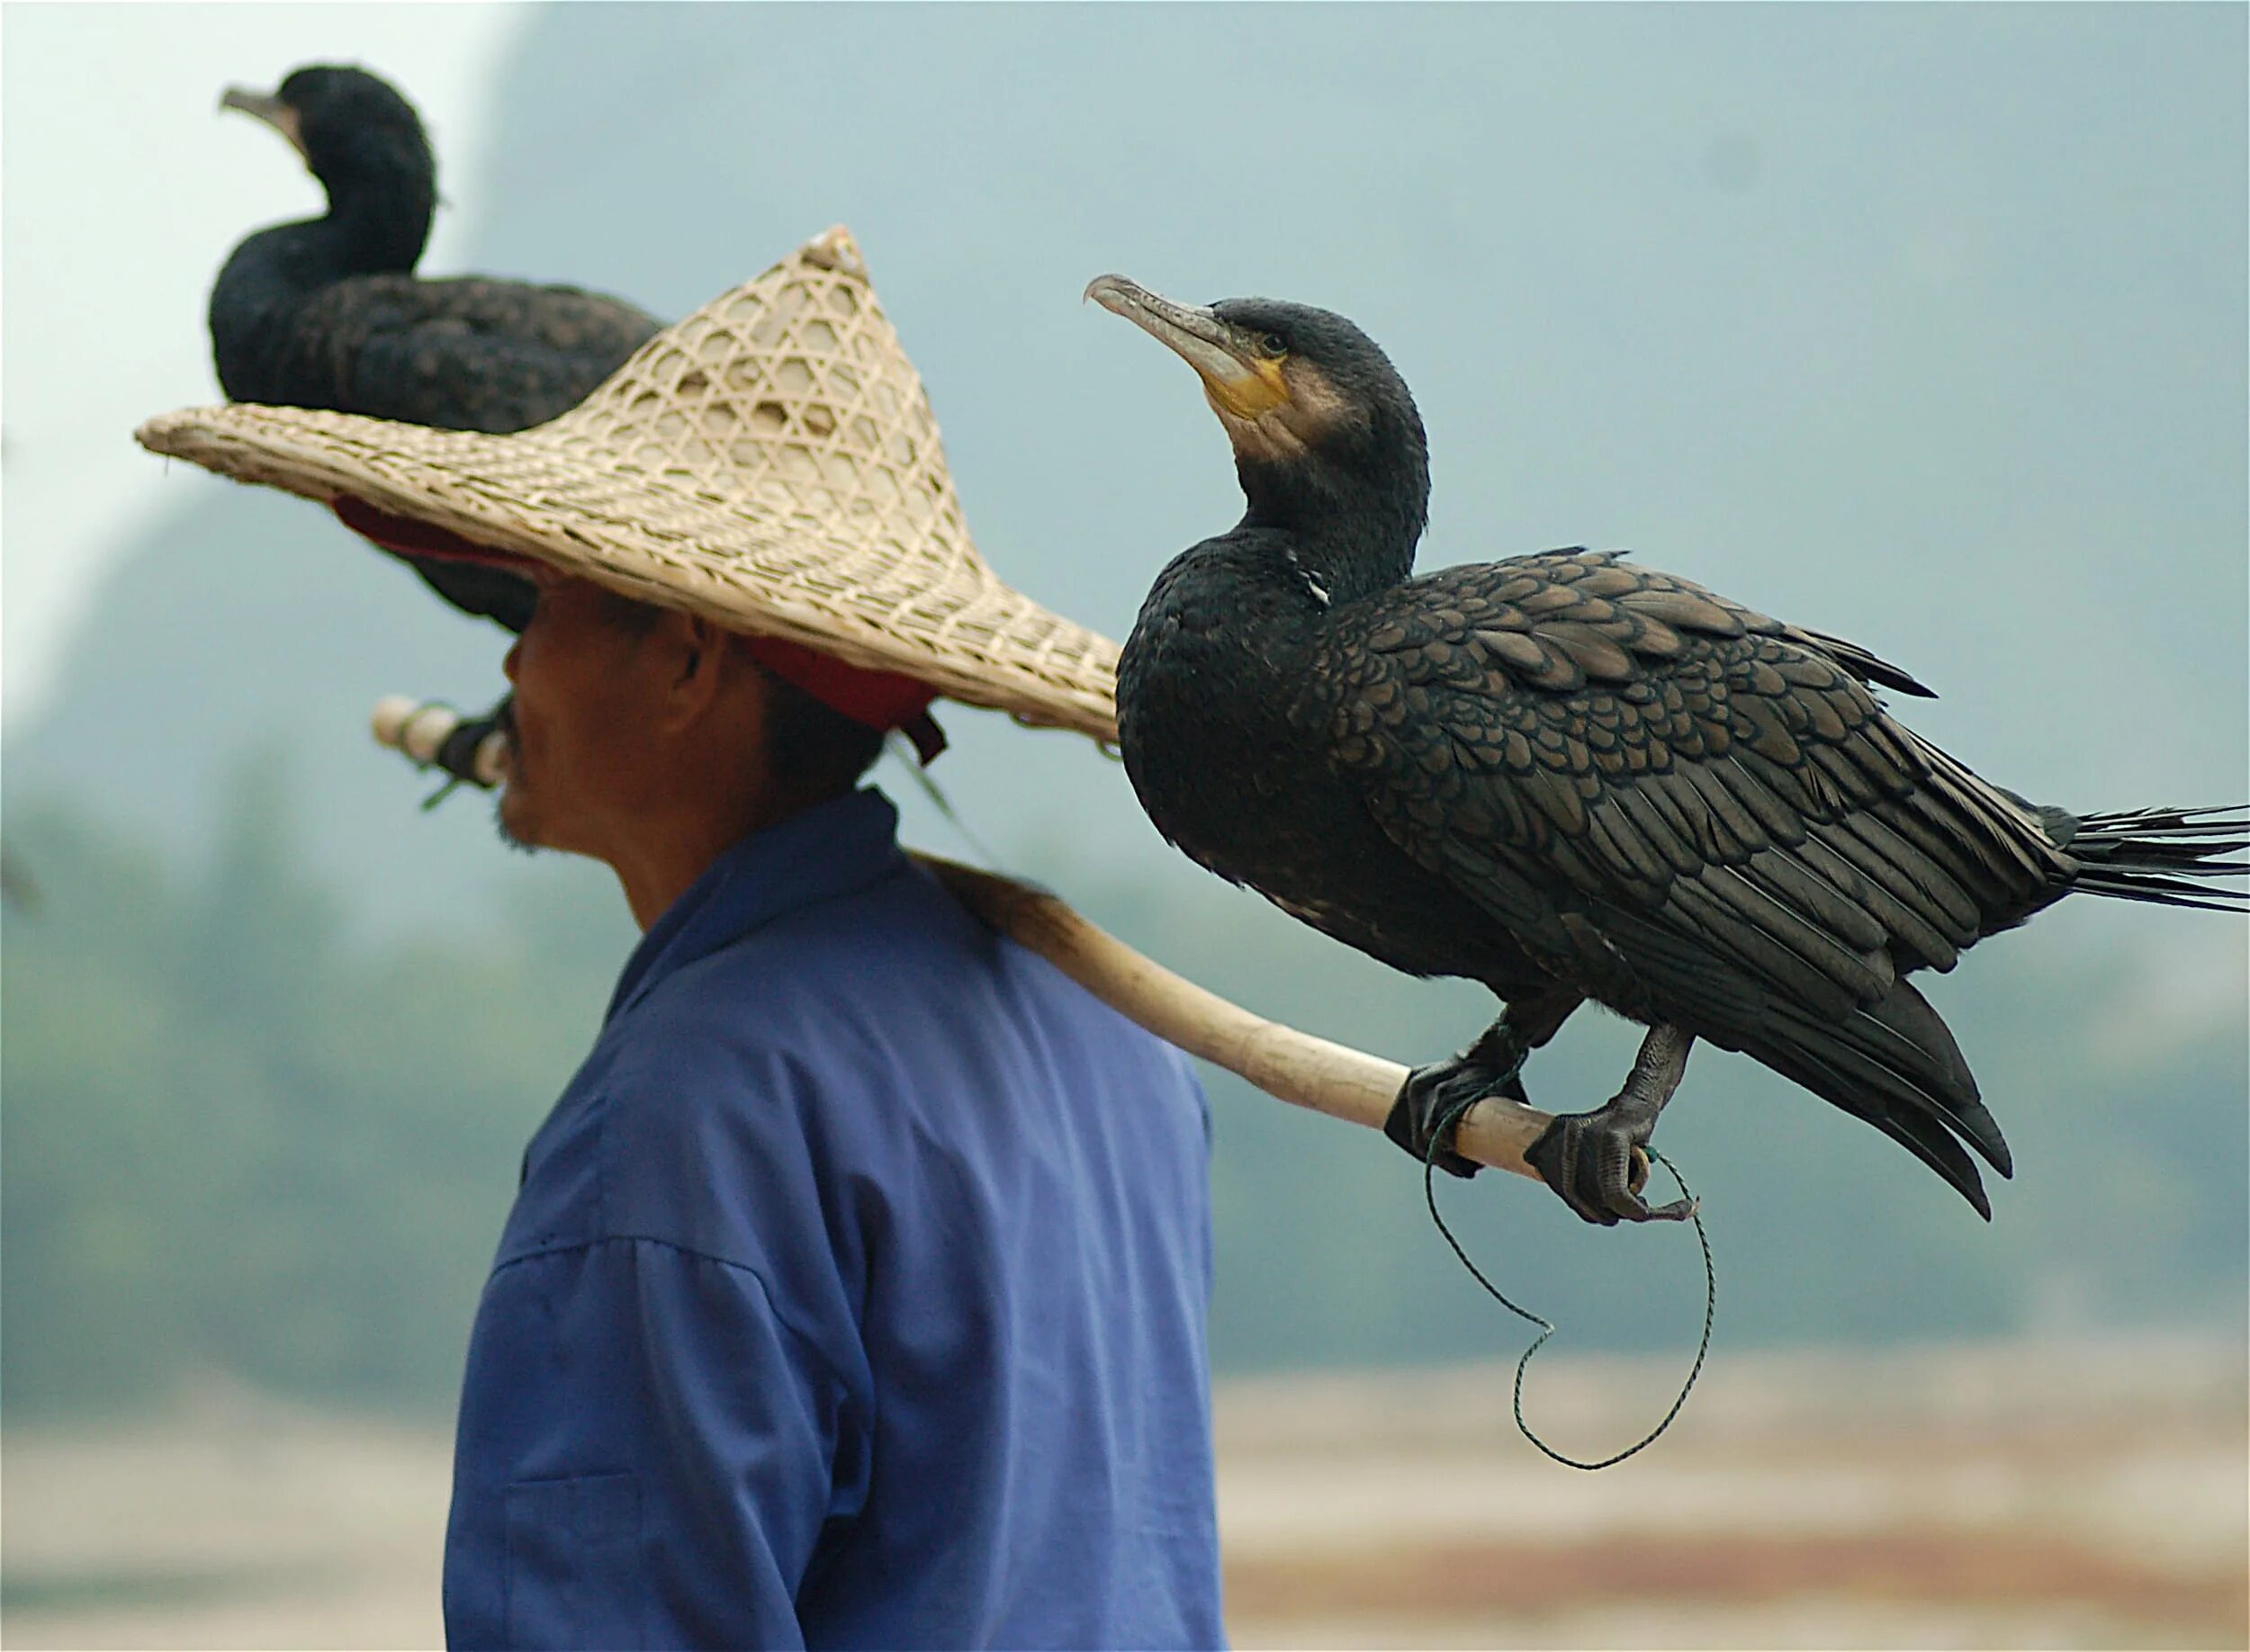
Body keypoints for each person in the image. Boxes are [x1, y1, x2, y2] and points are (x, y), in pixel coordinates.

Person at [139, 229, 1224, 1649]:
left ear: (689, 664)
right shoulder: (1116, 1043)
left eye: (550, 602)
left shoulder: (690, 1104)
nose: (513, 662)